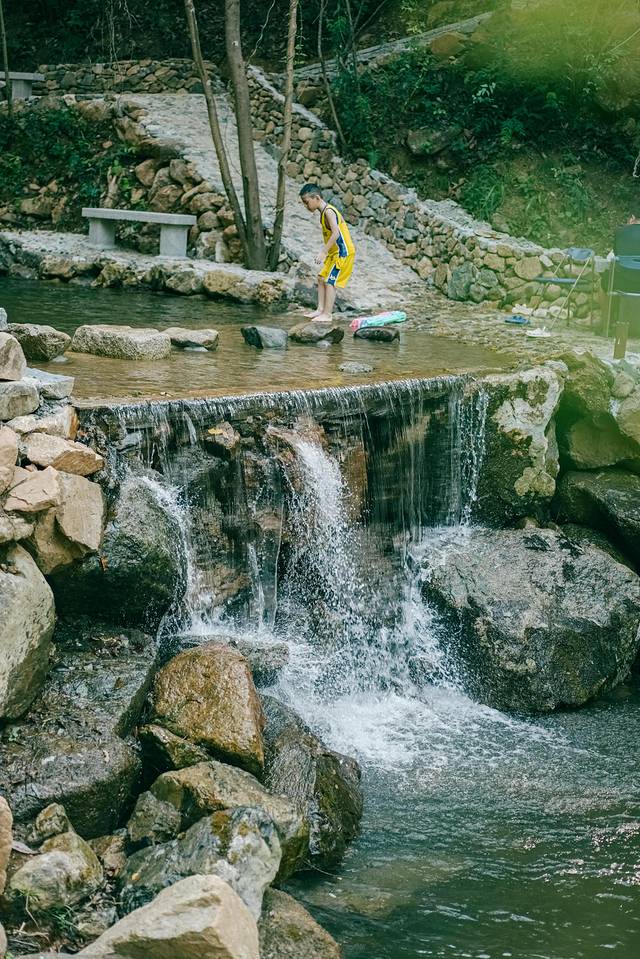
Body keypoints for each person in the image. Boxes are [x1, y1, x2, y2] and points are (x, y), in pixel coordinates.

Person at [299, 183, 356, 322]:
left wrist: (323, 252)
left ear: (317, 198)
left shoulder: (329, 211)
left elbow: (336, 233)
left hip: (343, 253)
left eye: (307, 202)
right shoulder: (323, 213)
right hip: (334, 253)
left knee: (330, 282)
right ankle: (320, 310)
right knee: (321, 278)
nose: (306, 206)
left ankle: (328, 314)